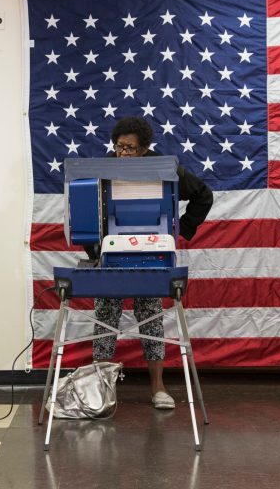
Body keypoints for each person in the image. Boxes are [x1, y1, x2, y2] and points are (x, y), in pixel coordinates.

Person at [91, 116, 212, 410]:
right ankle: (101, 389)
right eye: (119, 147)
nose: (124, 153)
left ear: (144, 149)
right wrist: (95, 251)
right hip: (111, 255)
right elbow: (86, 210)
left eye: (131, 148)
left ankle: (157, 387)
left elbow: (203, 196)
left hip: (150, 253)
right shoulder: (104, 168)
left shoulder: (164, 168)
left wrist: (179, 231)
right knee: (104, 319)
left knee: (151, 319)